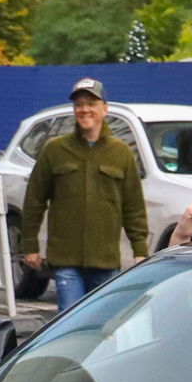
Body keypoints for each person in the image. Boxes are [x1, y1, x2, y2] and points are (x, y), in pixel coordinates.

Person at [16, 79, 148, 311]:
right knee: (69, 321)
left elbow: (133, 206)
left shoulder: (121, 152)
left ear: (104, 109)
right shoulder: (55, 150)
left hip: (105, 260)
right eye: (79, 104)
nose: (84, 109)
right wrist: (31, 245)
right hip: (65, 260)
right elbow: (34, 200)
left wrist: (141, 251)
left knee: (103, 324)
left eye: (91, 103)